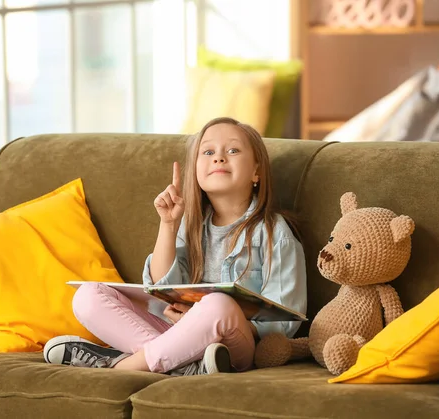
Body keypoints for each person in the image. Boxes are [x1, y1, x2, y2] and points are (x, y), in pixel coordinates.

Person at [44, 117, 307, 375]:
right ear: (196, 171)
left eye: (233, 150)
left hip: (234, 346)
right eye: (208, 151)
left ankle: (121, 366)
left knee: (219, 305)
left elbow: (284, 322)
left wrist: (200, 320)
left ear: (256, 172)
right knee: (88, 296)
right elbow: (161, 288)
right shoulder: (191, 226)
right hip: (176, 334)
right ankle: (184, 365)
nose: (219, 157)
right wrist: (168, 225)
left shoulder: (274, 233)